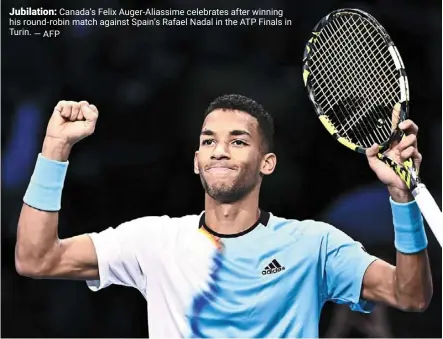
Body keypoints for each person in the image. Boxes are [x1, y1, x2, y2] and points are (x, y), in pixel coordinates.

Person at [15, 94, 432, 338]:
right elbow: (36, 259)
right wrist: (55, 149)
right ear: (196, 160)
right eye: (209, 141)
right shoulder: (153, 241)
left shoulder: (315, 245)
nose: (219, 150)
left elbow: (409, 295)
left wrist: (401, 196)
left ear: (266, 163)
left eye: (238, 141)